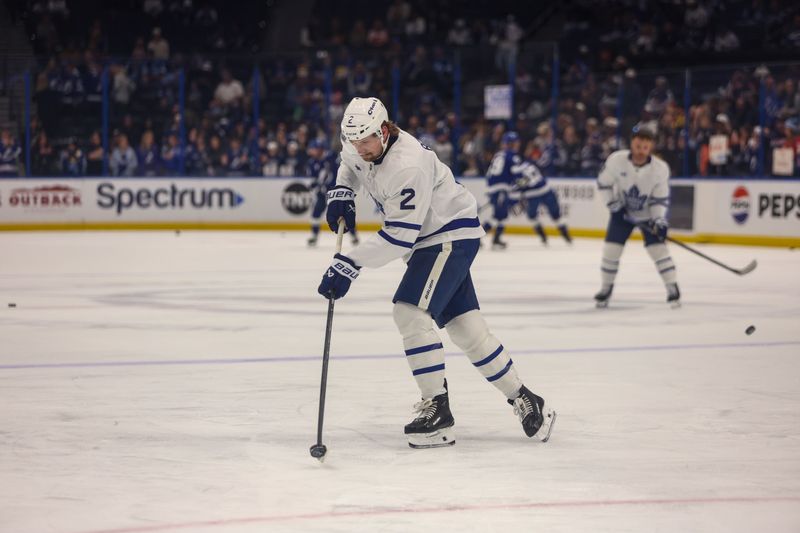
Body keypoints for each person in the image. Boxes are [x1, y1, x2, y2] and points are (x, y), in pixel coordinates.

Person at [317, 97, 556, 448]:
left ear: (384, 131)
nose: (359, 148)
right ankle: (526, 399)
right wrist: (342, 193)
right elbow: (349, 163)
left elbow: (399, 237)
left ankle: (438, 411)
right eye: (352, 140)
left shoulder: (407, 165)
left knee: (409, 312)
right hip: (433, 240)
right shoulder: (358, 142)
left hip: (446, 236)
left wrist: (350, 264)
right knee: (466, 329)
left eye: (366, 140)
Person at [595, 125, 680, 308]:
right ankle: (606, 288)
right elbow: (603, 184)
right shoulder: (616, 161)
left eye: (645, 147)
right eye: (637, 146)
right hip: (622, 213)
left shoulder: (660, 169)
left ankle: (672, 287)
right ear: (631, 145)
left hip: (648, 215)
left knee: (658, 250)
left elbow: (660, 198)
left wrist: (659, 220)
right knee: (611, 250)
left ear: (651, 148)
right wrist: (614, 206)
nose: (640, 151)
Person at [306, 139, 358, 247]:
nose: (313, 151)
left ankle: (353, 236)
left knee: (344, 213)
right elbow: (314, 180)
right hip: (322, 193)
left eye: (315, 149)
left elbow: (337, 174)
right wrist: (317, 187)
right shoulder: (312, 162)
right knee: (316, 213)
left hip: (334, 191)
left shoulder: (331, 157)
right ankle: (314, 236)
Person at [481, 131, 519, 249]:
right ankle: (476, 237)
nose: (517, 145)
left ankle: (496, 239)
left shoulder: (498, 155)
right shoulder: (512, 156)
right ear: (511, 144)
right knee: (499, 215)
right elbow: (516, 175)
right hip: (501, 188)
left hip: (495, 188)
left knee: (502, 215)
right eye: (515, 143)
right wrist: (521, 184)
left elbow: (490, 174)